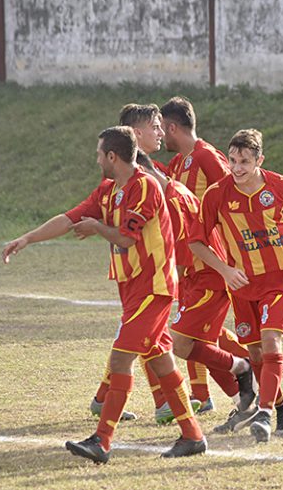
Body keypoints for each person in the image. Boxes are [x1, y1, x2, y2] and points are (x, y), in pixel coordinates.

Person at [2, 126, 206, 463]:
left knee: (120, 359)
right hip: (133, 291)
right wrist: (27, 239)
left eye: (99, 154)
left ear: (112, 156)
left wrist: (97, 228)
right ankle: (193, 435)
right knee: (160, 360)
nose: (96, 159)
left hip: (154, 289)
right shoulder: (109, 190)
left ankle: (102, 440)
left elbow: (127, 239)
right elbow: (69, 218)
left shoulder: (145, 186)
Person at [189, 128, 283, 442]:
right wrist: (225, 270)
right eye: (232, 160)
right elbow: (196, 242)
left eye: (244, 161)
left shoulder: (282, 187)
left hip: (278, 280)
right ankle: (281, 407)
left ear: (259, 161)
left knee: (271, 342)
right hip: (241, 285)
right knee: (255, 352)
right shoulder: (217, 193)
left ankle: (264, 413)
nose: (237, 167)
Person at [135, 151, 257, 419]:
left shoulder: (174, 201)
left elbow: (183, 256)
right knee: (202, 345)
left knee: (179, 344)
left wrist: (164, 292)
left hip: (207, 279)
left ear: (146, 174)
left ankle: (242, 366)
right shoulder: (174, 190)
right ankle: (244, 403)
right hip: (201, 279)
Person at [89, 102, 183, 424]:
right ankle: (178, 417)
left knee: (143, 343)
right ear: (136, 133)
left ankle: (169, 412)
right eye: (155, 127)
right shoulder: (134, 180)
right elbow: (124, 235)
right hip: (141, 276)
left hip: (149, 275)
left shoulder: (146, 177)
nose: (161, 132)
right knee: (139, 345)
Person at [161, 95, 231, 412]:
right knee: (200, 333)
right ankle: (203, 395)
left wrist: (237, 252)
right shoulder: (179, 163)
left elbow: (234, 198)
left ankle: (249, 371)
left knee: (186, 335)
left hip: (212, 262)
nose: (160, 135)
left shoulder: (207, 157)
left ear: (173, 126)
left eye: (162, 128)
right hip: (189, 264)